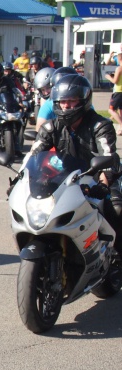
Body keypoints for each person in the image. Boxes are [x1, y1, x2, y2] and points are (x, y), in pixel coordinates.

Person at [29, 74, 122, 251]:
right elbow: (34, 155)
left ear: (83, 101)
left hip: (98, 178)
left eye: (72, 101)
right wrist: (21, 179)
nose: (66, 105)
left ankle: (116, 255)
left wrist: (103, 184)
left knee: (116, 209)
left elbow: (108, 157)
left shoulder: (100, 126)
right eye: (63, 101)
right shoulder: (50, 127)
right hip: (66, 178)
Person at [105, 62, 122, 135]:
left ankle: (121, 125)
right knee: (120, 111)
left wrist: (108, 77)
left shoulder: (119, 68)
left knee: (111, 110)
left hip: (118, 91)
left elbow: (115, 81)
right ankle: (120, 129)